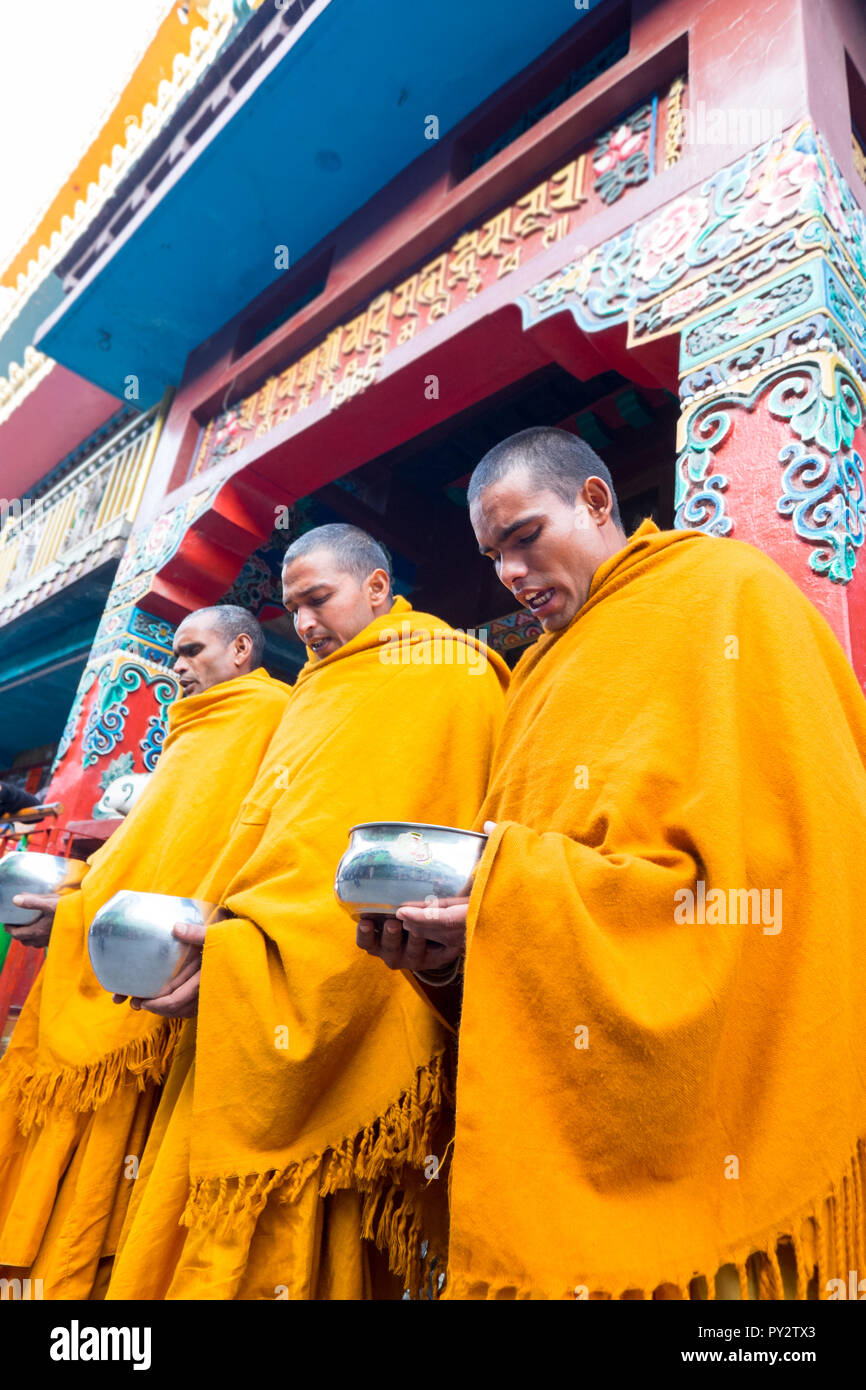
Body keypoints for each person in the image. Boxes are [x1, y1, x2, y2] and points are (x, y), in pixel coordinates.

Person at [359, 425, 866, 1301]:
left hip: (713, 1089)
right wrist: (450, 949)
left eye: (524, 538)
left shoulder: (724, 595)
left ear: (597, 502)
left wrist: (511, 886)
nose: (511, 574)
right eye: (492, 556)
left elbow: (783, 866)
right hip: (561, 1089)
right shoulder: (535, 674)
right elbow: (504, 878)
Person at [106, 523, 508, 1301]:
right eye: (294, 609)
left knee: (339, 1214)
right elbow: (269, 835)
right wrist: (221, 936)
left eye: (319, 599)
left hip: (366, 975)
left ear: (378, 589)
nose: (307, 625)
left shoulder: (451, 671)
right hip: (246, 969)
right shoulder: (312, 691)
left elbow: (436, 831)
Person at [0, 606, 291, 1298]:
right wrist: (78, 903)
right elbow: (144, 849)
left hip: (182, 961)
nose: (179, 667)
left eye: (192, 651)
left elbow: (231, 843)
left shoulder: (265, 717)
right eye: (173, 655)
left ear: (243, 647)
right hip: (124, 943)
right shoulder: (191, 731)